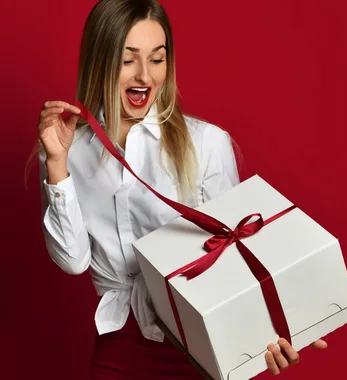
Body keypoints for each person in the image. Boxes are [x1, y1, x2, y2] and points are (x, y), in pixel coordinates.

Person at [37, 0, 329, 378]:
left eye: (157, 59)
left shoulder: (206, 143)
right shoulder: (67, 149)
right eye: (128, 60)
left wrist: (283, 326)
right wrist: (57, 163)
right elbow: (73, 261)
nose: (145, 75)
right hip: (118, 350)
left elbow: (237, 255)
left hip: (201, 348)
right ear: (100, 60)